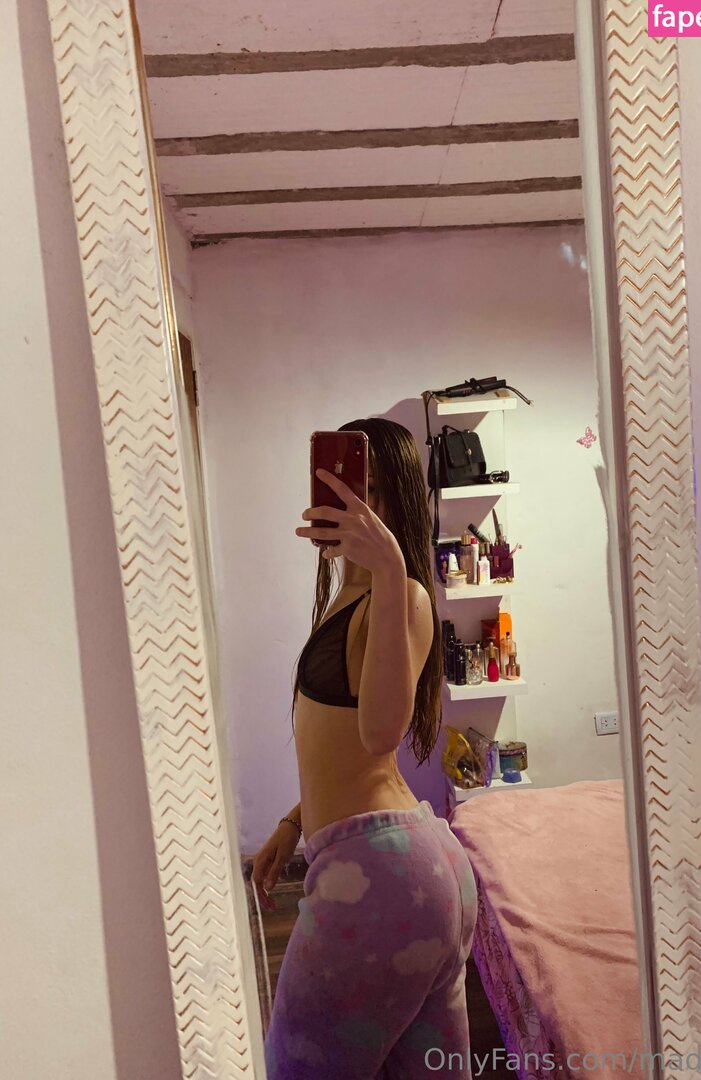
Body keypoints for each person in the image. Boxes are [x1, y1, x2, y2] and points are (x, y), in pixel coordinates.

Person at [252, 417, 478, 1079]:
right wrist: (294, 821)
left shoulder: (399, 595)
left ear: (398, 501)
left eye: (371, 490)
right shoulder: (352, 596)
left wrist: (390, 567)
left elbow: (382, 733)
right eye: (342, 485)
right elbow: (351, 750)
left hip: (382, 882)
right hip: (405, 873)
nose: (353, 504)